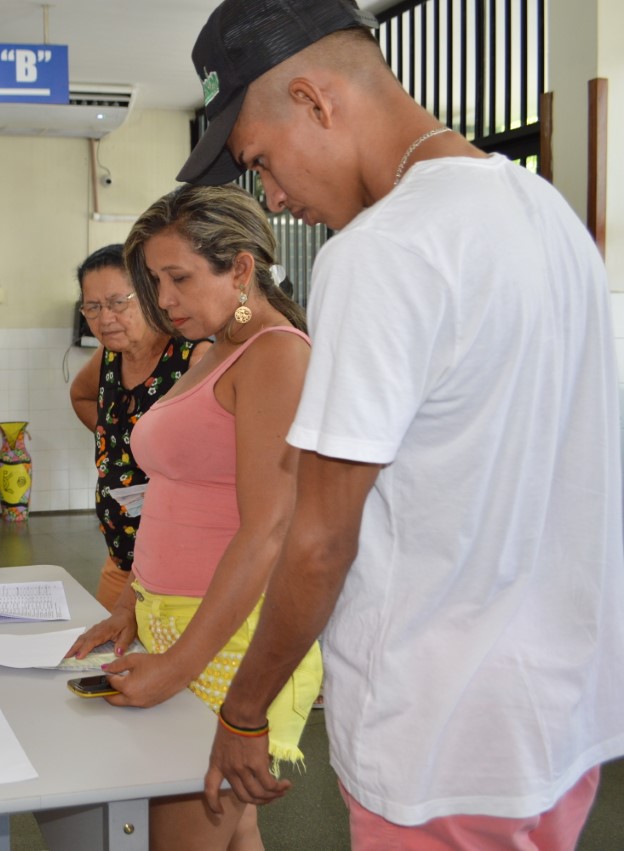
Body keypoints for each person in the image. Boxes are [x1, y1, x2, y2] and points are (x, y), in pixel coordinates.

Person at [180, 0, 624, 847]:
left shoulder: (382, 249)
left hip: (438, 738)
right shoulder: (548, 213)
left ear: (313, 100)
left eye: (261, 161)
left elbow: (319, 539)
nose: (273, 198)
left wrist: (244, 708)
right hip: (559, 720)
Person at [67, 184, 323, 851]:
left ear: (240, 268)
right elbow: (180, 492)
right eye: (155, 281)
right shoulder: (220, 346)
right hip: (173, 615)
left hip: (225, 635)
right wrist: (132, 600)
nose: (165, 299)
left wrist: (179, 664)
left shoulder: (276, 353)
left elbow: (267, 530)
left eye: (178, 278)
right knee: (234, 828)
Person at [68, 244, 206, 610]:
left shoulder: (193, 357)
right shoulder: (109, 356)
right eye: (92, 307)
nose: (105, 318)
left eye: (117, 303)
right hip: (120, 559)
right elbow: (81, 396)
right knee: (104, 644)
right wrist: (117, 439)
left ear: (148, 294)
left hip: (180, 565)